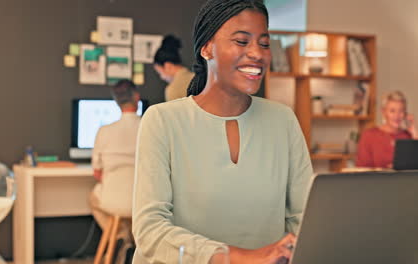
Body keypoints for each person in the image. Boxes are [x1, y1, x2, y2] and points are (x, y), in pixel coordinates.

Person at [132, 1, 313, 263]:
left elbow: (304, 219)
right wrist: (240, 258)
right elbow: (150, 231)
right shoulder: (161, 120)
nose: (257, 54)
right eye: (241, 41)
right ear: (206, 48)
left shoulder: (283, 119)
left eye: (264, 43)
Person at [89, 80, 141, 249]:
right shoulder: (150, 126)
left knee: (93, 199)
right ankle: (133, 243)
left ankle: (121, 237)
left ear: (116, 103)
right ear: (137, 98)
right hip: (144, 201)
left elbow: (97, 174)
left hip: (113, 201)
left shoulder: (104, 131)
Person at [356, 90, 417, 168]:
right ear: (384, 112)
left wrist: (415, 133)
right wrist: (388, 171)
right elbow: (362, 170)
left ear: (405, 114)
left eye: (401, 111)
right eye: (392, 111)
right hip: (378, 180)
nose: (397, 116)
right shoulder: (369, 136)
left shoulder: (408, 136)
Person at [153, 35, 195, 101]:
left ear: (167, 66)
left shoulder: (173, 89)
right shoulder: (198, 77)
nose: (162, 77)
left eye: (160, 73)